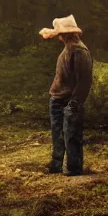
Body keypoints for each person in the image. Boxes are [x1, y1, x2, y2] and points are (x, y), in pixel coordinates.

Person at [39, 14, 93, 176]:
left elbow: (84, 81)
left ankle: (73, 168)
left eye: (60, 34)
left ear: (66, 34)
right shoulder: (69, 48)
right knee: (58, 133)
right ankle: (56, 165)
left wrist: (74, 103)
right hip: (57, 98)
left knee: (71, 134)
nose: (59, 37)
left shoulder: (79, 51)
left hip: (70, 100)